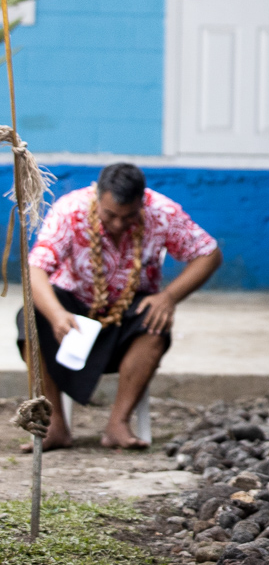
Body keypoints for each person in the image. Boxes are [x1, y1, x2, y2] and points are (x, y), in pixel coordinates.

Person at [17, 162, 221, 450]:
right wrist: (57, 315)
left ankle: (118, 423)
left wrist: (169, 296)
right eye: (110, 214)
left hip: (129, 310)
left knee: (156, 322)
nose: (117, 224)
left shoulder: (161, 212)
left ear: (142, 201)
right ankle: (55, 426)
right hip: (73, 308)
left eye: (128, 217)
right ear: (97, 196)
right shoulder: (70, 210)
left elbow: (208, 254)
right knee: (30, 320)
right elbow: (35, 269)